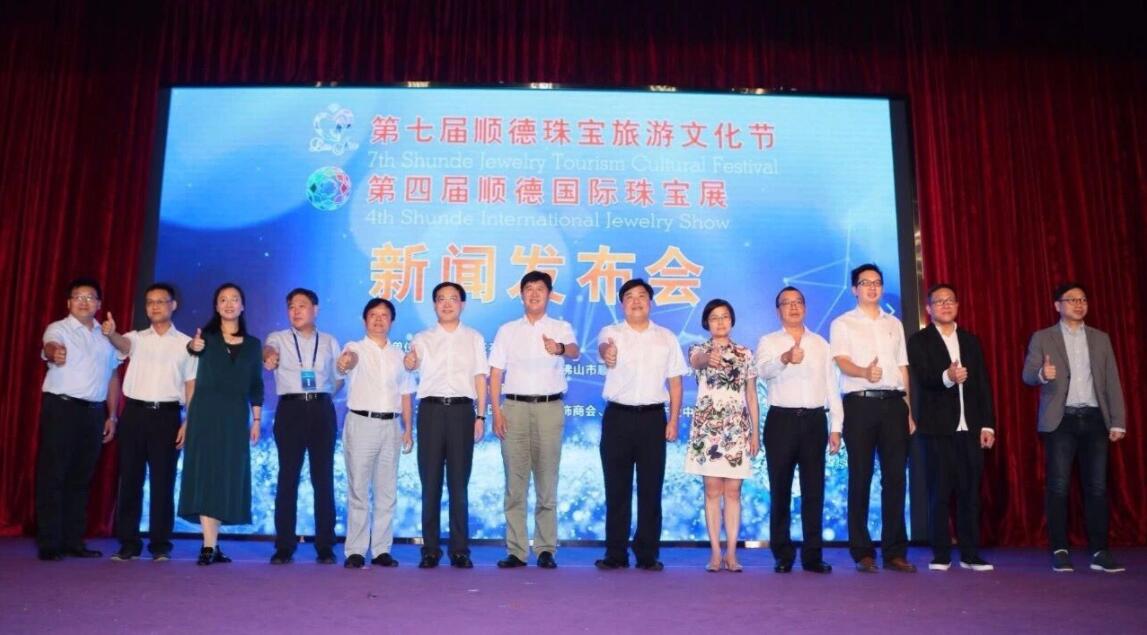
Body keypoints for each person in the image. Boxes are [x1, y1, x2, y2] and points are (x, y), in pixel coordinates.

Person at [1022, 282, 1126, 573]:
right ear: (1058, 306)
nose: (1079, 304)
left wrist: (1118, 420)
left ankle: (1100, 551)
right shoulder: (1043, 337)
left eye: (1083, 299)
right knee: (1058, 486)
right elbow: (1027, 375)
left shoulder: (1100, 338)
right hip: (1061, 420)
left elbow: (1112, 380)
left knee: (1097, 487)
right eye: (1072, 300)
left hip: (1094, 418)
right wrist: (1042, 373)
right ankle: (1060, 549)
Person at [595, 278, 689, 571]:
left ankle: (647, 553)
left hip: (652, 419)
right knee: (616, 488)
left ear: (650, 302)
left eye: (641, 296)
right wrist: (607, 353)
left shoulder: (666, 337)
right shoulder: (611, 332)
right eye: (629, 297)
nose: (636, 301)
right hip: (618, 418)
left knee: (651, 488)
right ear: (622, 304)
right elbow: (604, 349)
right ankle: (616, 553)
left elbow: (676, 382)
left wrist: (673, 419)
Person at [829, 263, 917, 573]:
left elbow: (902, 367)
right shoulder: (843, 323)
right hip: (860, 405)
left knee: (896, 478)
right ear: (855, 289)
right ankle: (862, 551)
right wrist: (864, 372)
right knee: (860, 476)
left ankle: (895, 552)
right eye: (865, 283)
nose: (872, 287)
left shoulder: (894, 323)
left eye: (877, 282)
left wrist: (908, 409)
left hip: (894, 405)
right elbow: (841, 362)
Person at [490, 271, 579, 570]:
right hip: (513, 408)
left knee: (546, 481)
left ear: (549, 294)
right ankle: (516, 550)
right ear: (521, 295)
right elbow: (495, 374)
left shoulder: (560, 327)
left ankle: (545, 548)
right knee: (515, 484)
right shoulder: (507, 330)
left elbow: (575, 351)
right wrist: (496, 411)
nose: (534, 294)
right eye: (528, 288)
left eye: (540, 289)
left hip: (548, 408)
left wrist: (559, 348)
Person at [103, 282, 198, 562]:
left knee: (163, 482)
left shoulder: (186, 344)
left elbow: (191, 385)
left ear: (173, 305)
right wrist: (111, 334)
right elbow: (122, 345)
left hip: (167, 416)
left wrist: (188, 421)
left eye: (160, 301)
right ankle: (128, 543)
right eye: (150, 302)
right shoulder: (136, 337)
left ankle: (160, 544)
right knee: (130, 479)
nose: (155, 306)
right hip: (134, 414)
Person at [907, 283, 996, 572]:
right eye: (939, 301)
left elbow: (982, 384)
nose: (945, 305)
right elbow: (923, 378)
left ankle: (970, 554)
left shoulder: (970, 341)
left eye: (950, 300)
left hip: (970, 428)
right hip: (937, 428)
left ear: (957, 306)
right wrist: (948, 376)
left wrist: (988, 425)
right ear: (928, 309)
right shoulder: (919, 341)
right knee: (940, 492)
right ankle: (941, 553)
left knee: (970, 493)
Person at [756, 286, 842, 574]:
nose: (793, 307)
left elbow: (832, 386)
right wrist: (784, 358)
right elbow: (763, 371)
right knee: (780, 490)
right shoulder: (769, 341)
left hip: (815, 421)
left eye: (798, 302)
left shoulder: (821, 344)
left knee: (813, 490)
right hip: (781, 421)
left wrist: (836, 426)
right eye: (786, 303)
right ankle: (782, 554)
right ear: (778, 310)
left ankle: (813, 555)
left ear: (805, 307)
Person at [178, 283, 264, 566]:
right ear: (216, 307)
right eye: (223, 300)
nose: (229, 304)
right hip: (205, 414)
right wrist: (193, 347)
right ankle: (208, 545)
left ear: (242, 306)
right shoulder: (205, 340)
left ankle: (212, 544)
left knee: (225, 477)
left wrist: (256, 419)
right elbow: (191, 355)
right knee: (206, 475)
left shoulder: (253, 345)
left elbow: (256, 385)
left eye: (234, 299)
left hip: (235, 418)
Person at [36, 277, 121, 561]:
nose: (84, 302)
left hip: (94, 413)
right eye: (78, 297)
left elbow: (112, 376)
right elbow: (50, 347)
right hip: (62, 409)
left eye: (90, 297)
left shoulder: (106, 335)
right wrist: (55, 353)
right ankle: (49, 543)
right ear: (69, 302)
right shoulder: (58, 328)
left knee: (81, 478)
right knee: (53, 475)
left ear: (99, 304)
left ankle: (74, 541)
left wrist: (112, 415)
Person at [405, 281, 489, 569]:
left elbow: (480, 377)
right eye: (441, 299)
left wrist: (481, 416)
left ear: (462, 304)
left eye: (453, 298)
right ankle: (430, 549)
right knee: (430, 483)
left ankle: (459, 549)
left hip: (462, 412)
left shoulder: (474, 337)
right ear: (434, 305)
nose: (447, 303)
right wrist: (409, 361)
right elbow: (411, 365)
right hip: (430, 412)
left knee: (458, 484)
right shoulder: (422, 338)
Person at [263, 288, 342, 565]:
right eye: (291, 306)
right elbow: (268, 352)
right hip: (291, 410)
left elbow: (339, 377)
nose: (295, 311)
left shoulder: (330, 341)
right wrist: (268, 356)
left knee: (323, 479)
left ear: (315, 309)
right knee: (288, 478)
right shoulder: (278, 338)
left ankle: (325, 545)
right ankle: (284, 546)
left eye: (302, 305)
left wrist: (327, 390)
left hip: (321, 409)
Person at [337, 298, 415, 569]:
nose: (379, 319)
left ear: (391, 321)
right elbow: (347, 362)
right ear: (364, 320)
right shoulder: (354, 347)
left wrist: (408, 428)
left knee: (386, 491)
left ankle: (382, 549)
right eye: (373, 314)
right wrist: (345, 363)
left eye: (384, 315)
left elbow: (406, 394)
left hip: (391, 426)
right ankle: (356, 550)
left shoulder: (399, 355)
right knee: (358, 488)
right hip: (361, 423)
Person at [684, 299, 759, 572]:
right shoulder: (697, 349)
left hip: (736, 429)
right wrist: (709, 358)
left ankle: (732, 554)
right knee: (712, 490)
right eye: (714, 317)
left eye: (725, 316)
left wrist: (755, 433)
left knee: (734, 491)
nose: (720, 322)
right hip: (708, 430)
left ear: (732, 320)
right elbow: (698, 361)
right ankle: (716, 553)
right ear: (706, 322)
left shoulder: (745, 353)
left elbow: (751, 394)